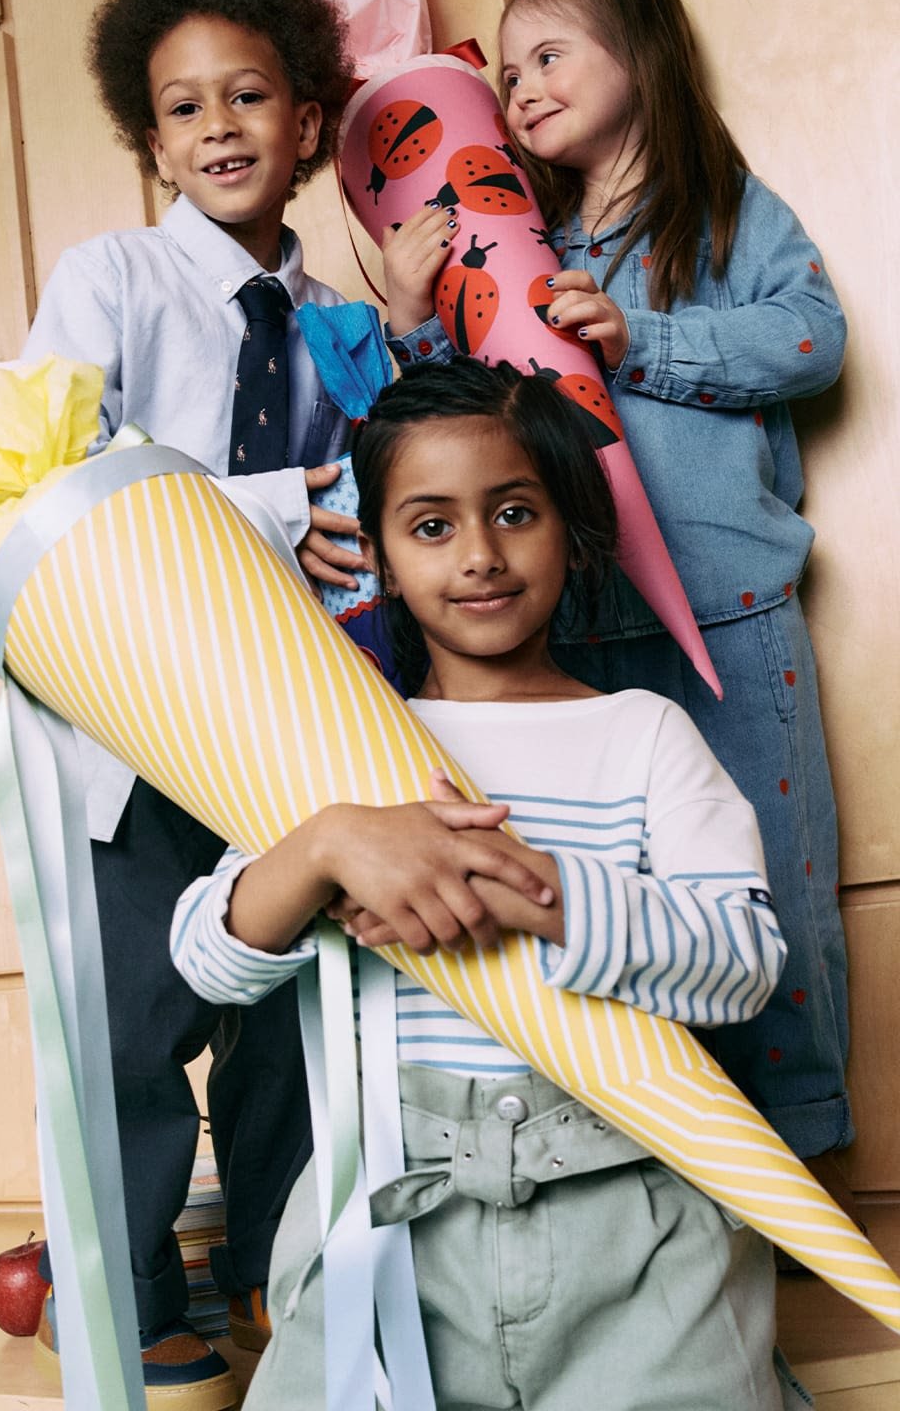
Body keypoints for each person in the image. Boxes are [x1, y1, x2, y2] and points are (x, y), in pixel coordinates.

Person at [170, 358, 810, 1410]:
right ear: (371, 551)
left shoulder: (641, 734)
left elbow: (740, 968)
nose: (478, 555)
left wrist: (529, 889)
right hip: (386, 1219)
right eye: (430, 527)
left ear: (572, 528)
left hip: (632, 1211)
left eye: (514, 512)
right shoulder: (341, 752)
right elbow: (205, 960)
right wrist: (326, 844)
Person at [382, 0, 852, 1197]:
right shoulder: (514, 235)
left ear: (639, 56)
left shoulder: (725, 213)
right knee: (621, 909)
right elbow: (468, 428)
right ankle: (673, 1164)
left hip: (732, 617)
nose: (521, 89)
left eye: (549, 59)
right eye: (510, 74)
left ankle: (795, 1168)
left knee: (771, 901)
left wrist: (644, 339)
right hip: (579, 642)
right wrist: (411, 317)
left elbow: (816, 338)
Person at [23, 0, 360, 1400]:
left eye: (249, 95)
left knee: (287, 1009)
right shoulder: (110, 279)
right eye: (183, 107)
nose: (219, 125)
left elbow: (382, 496)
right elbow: (73, 478)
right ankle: (130, 1285)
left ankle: (280, 1265)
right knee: (137, 1022)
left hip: (280, 721)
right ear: (149, 141)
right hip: (132, 715)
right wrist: (285, 504)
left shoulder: (338, 315)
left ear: (306, 122)